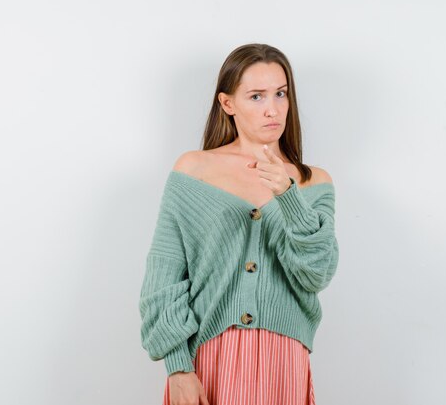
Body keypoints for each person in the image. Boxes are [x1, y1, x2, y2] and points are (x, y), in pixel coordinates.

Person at [139, 43, 339, 405]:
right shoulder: (193, 170)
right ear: (228, 103)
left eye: (280, 94)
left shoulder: (314, 183)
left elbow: (316, 275)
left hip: (284, 360)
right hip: (209, 358)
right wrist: (178, 368)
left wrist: (288, 196)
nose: (273, 109)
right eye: (257, 97)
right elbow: (164, 276)